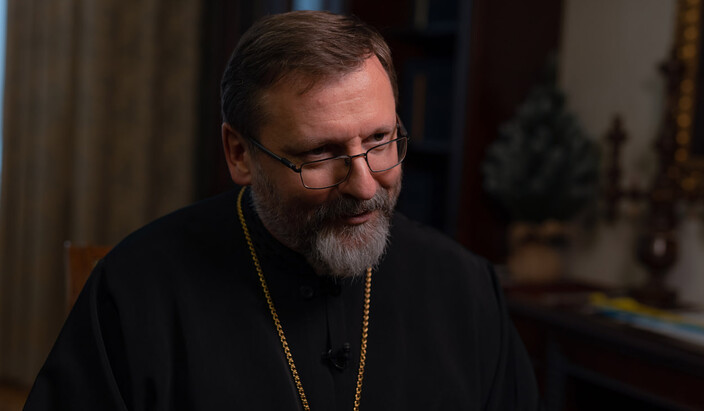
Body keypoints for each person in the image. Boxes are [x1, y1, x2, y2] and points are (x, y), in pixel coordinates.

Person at [24, 10, 539, 410]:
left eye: (380, 140)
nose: (364, 186)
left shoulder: (466, 288)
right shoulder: (136, 288)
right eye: (320, 154)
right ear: (240, 154)